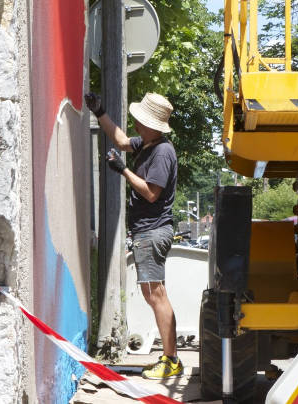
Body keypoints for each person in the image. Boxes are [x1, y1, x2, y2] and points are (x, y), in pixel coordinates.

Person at [85, 92, 182, 379]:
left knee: (156, 295)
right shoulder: (148, 143)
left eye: (141, 120)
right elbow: (122, 141)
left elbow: (152, 194)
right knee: (154, 294)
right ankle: (170, 357)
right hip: (147, 231)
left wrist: (123, 170)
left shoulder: (162, 152)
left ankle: (171, 359)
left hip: (152, 231)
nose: (137, 124)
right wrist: (100, 111)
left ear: (154, 125)